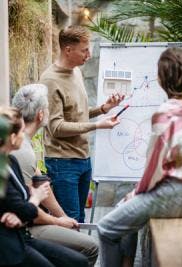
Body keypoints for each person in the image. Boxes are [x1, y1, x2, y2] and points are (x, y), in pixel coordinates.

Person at [97, 47, 182, 267]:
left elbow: (154, 169)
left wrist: (134, 194)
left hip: (174, 194)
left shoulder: (166, 113)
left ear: (162, 79)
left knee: (107, 227)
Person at [40, 25, 124, 222]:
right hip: (62, 163)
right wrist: (97, 125)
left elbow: (76, 114)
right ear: (68, 50)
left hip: (83, 160)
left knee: (80, 219)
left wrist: (103, 109)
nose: (89, 54)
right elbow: (57, 127)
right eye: (84, 50)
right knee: (70, 222)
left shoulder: (76, 72)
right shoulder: (50, 80)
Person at [12, 83, 98, 267]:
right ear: (40, 115)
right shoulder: (22, 150)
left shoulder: (26, 143)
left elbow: (41, 184)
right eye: (48, 109)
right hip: (22, 228)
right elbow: (29, 212)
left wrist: (63, 216)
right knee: (90, 247)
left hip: (27, 219)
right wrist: (58, 222)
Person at [0, 107, 89, 267]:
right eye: (21, 132)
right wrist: (36, 198)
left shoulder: (11, 162)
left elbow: (22, 204)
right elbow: (26, 208)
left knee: (79, 261)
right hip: (9, 245)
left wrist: (20, 213)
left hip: (22, 233)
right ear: (12, 138)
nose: (24, 136)